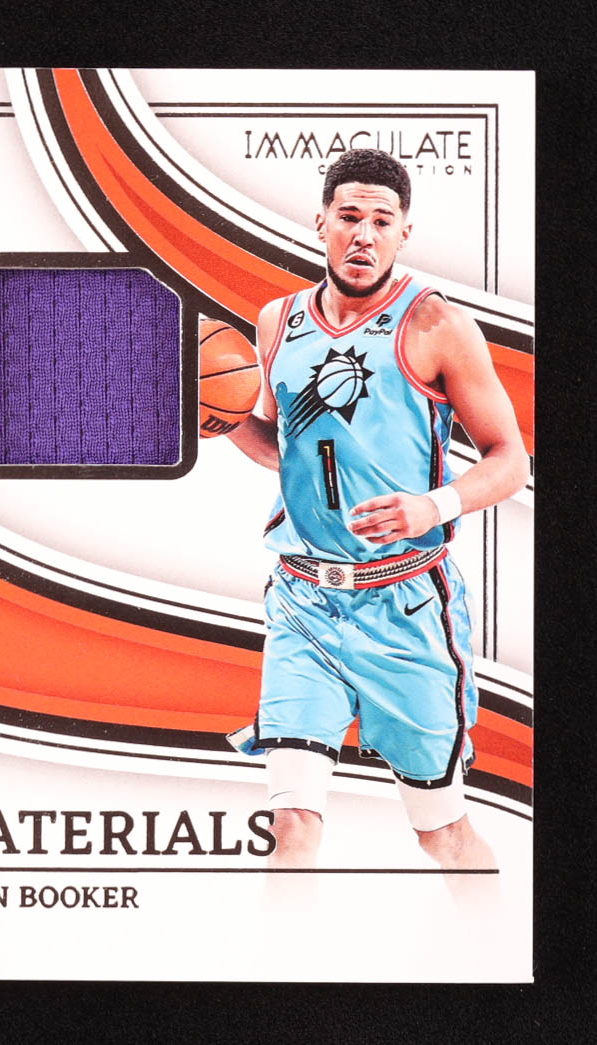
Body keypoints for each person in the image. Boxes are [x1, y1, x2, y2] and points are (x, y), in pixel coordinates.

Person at [226, 149, 529, 899]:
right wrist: (222, 418)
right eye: (350, 217)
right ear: (321, 222)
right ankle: (275, 970)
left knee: (440, 834)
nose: (364, 234)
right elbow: (287, 449)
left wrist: (435, 505)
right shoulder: (276, 322)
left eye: (382, 221)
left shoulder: (436, 324)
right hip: (303, 601)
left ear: (404, 233)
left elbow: (510, 460)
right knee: (292, 824)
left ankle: (494, 941)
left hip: (405, 604)